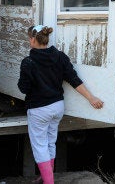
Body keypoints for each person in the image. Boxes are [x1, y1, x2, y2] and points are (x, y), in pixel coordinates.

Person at [18, 25, 104, 184]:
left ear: (33, 39)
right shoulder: (60, 56)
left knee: (40, 146)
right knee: (50, 142)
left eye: (29, 37)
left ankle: (48, 181)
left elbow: (23, 88)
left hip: (39, 109)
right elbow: (74, 79)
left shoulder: (28, 62)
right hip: (57, 106)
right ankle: (46, 177)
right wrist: (91, 98)